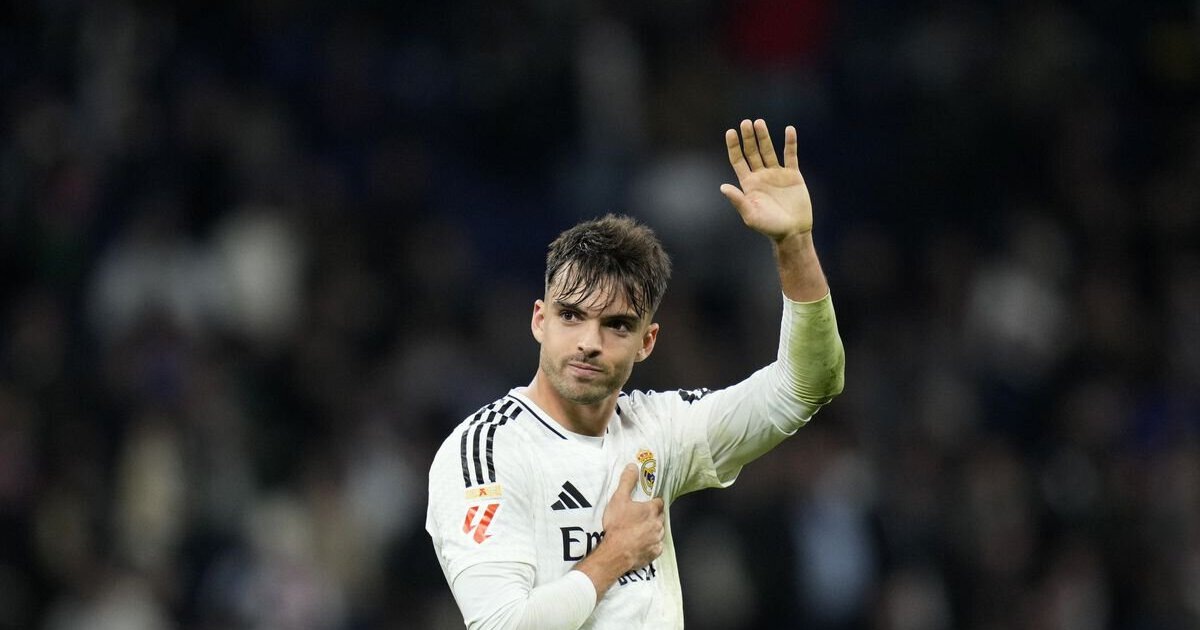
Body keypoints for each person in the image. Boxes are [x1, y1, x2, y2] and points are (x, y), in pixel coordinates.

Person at [425, 119, 845, 629]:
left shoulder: (658, 429)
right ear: (540, 320)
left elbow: (806, 384)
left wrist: (795, 245)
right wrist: (615, 554)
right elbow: (501, 625)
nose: (589, 342)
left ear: (647, 342)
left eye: (616, 325)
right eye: (571, 316)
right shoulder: (488, 451)